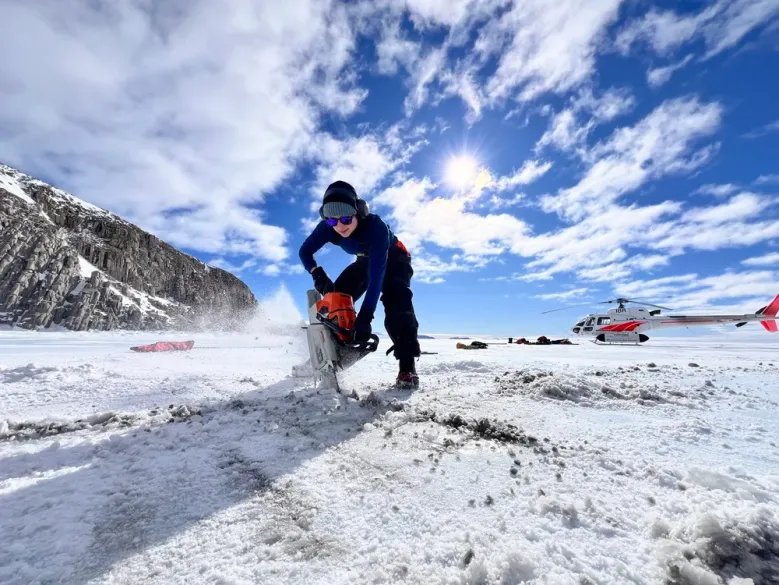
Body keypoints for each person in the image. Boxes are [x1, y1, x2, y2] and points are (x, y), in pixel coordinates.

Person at [299, 181, 421, 389]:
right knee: (336, 301)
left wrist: (365, 318)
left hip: (395, 258)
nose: (340, 226)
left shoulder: (376, 228)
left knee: (396, 300)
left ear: (358, 212)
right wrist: (317, 273)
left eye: (346, 218)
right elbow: (305, 252)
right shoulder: (328, 228)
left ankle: (407, 367)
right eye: (332, 221)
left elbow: (376, 278)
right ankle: (327, 354)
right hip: (364, 260)